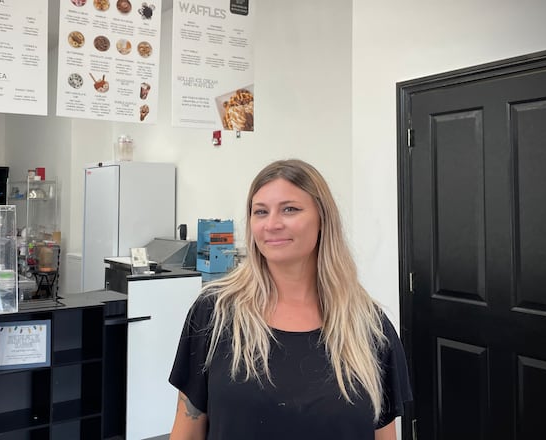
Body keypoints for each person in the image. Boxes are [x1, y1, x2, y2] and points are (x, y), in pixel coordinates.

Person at [169, 159, 412, 439]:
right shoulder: (215, 313)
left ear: (323, 219)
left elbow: (383, 434)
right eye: (260, 212)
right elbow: (187, 429)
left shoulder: (368, 326)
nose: (272, 224)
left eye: (290, 209)